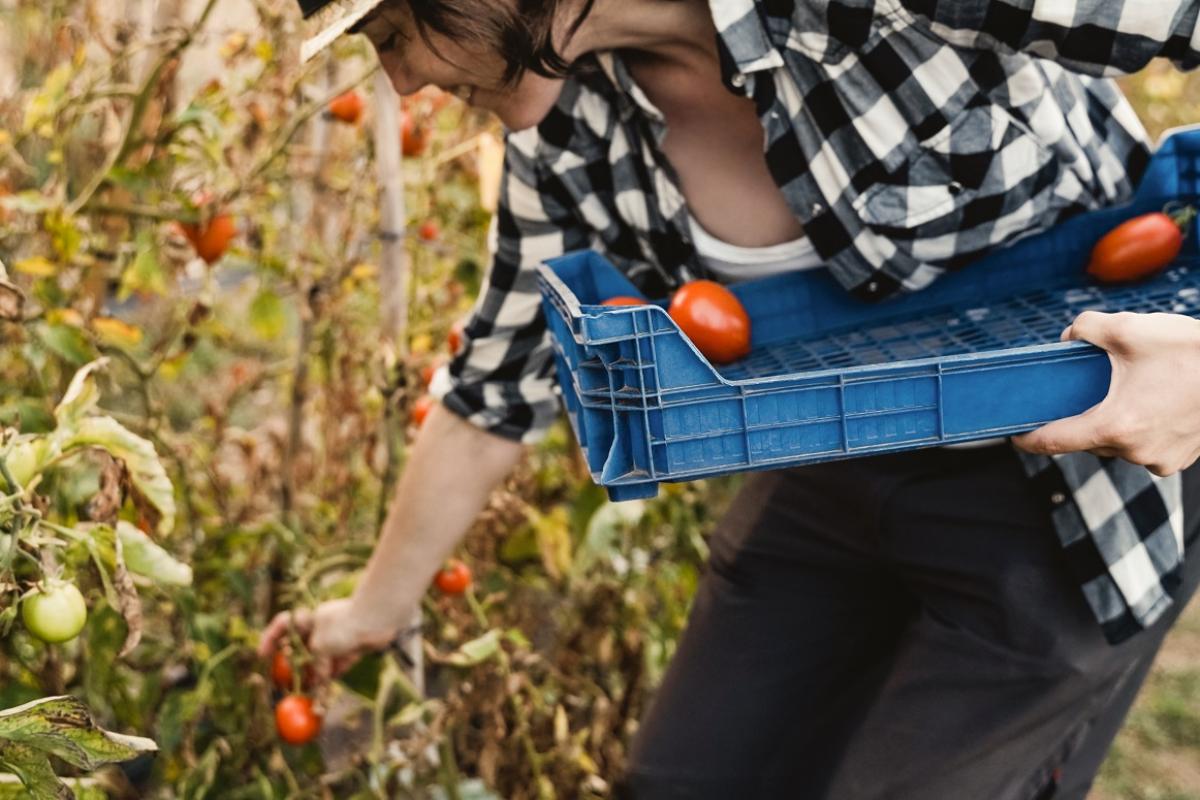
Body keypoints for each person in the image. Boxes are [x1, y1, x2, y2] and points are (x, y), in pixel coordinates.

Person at [260, 1, 1200, 796]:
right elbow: (498, 384)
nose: (400, 83)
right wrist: (371, 610)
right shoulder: (572, 134)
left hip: (1071, 494)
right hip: (834, 460)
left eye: (390, 35)